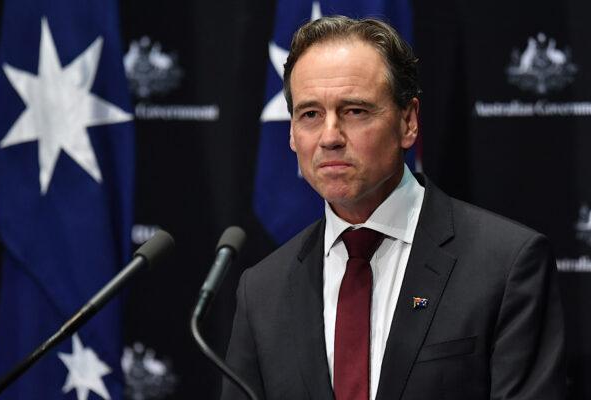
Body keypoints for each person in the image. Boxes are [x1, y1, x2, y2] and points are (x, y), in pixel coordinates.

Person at [222, 16, 565, 400]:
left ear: (408, 122)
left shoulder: (506, 265)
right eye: (310, 114)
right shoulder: (262, 291)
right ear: (291, 134)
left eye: (354, 111)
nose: (330, 137)